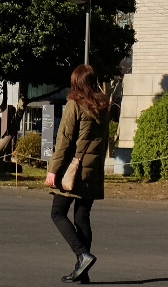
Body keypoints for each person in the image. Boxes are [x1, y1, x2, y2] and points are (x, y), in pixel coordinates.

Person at [45, 65, 110, 284]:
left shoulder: (75, 104)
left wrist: (53, 170)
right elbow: (105, 141)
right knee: (82, 216)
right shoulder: (103, 105)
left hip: (74, 169)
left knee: (57, 212)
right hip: (94, 170)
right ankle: (83, 271)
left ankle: (83, 255)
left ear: (77, 82)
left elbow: (64, 139)